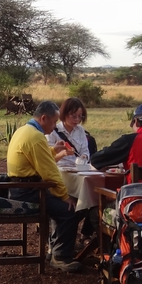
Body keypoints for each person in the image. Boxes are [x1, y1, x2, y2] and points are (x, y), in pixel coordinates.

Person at [7, 100, 82, 272]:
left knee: (61, 205)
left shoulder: (24, 130)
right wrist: (65, 196)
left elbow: (37, 156)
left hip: (21, 188)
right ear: (43, 118)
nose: (55, 126)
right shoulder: (36, 137)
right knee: (69, 210)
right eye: (54, 121)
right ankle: (61, 257)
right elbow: (49, 172)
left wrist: (53, 150)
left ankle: (55, 249)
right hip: (28, 192)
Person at [45, 97, 100, 239]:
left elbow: (85, 151)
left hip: (79, 169)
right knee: (78, 200)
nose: (76, 120)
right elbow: (48, 160)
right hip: (60, 170)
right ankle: (60, 237)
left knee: (94, 197)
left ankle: (82, 233)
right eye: (73, 116)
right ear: (64, 114)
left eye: (80, 116)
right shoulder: (53, 130)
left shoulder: (80, 130)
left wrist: (83, 158)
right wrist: (63, 154)